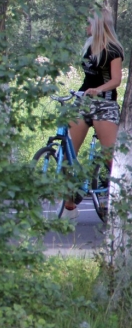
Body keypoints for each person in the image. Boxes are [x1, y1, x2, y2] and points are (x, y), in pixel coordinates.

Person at [63, 13, 124, 219]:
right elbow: (88, 78)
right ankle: (71, 196)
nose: (86, 27)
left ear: (98, 26)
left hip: (105, 104)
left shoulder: (113, 50)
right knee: (68, 152)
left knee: (110, 156)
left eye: (88, 23)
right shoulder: (89, 47)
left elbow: (116, 80)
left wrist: (98, 90)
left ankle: (116, 195)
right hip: (84, 102)